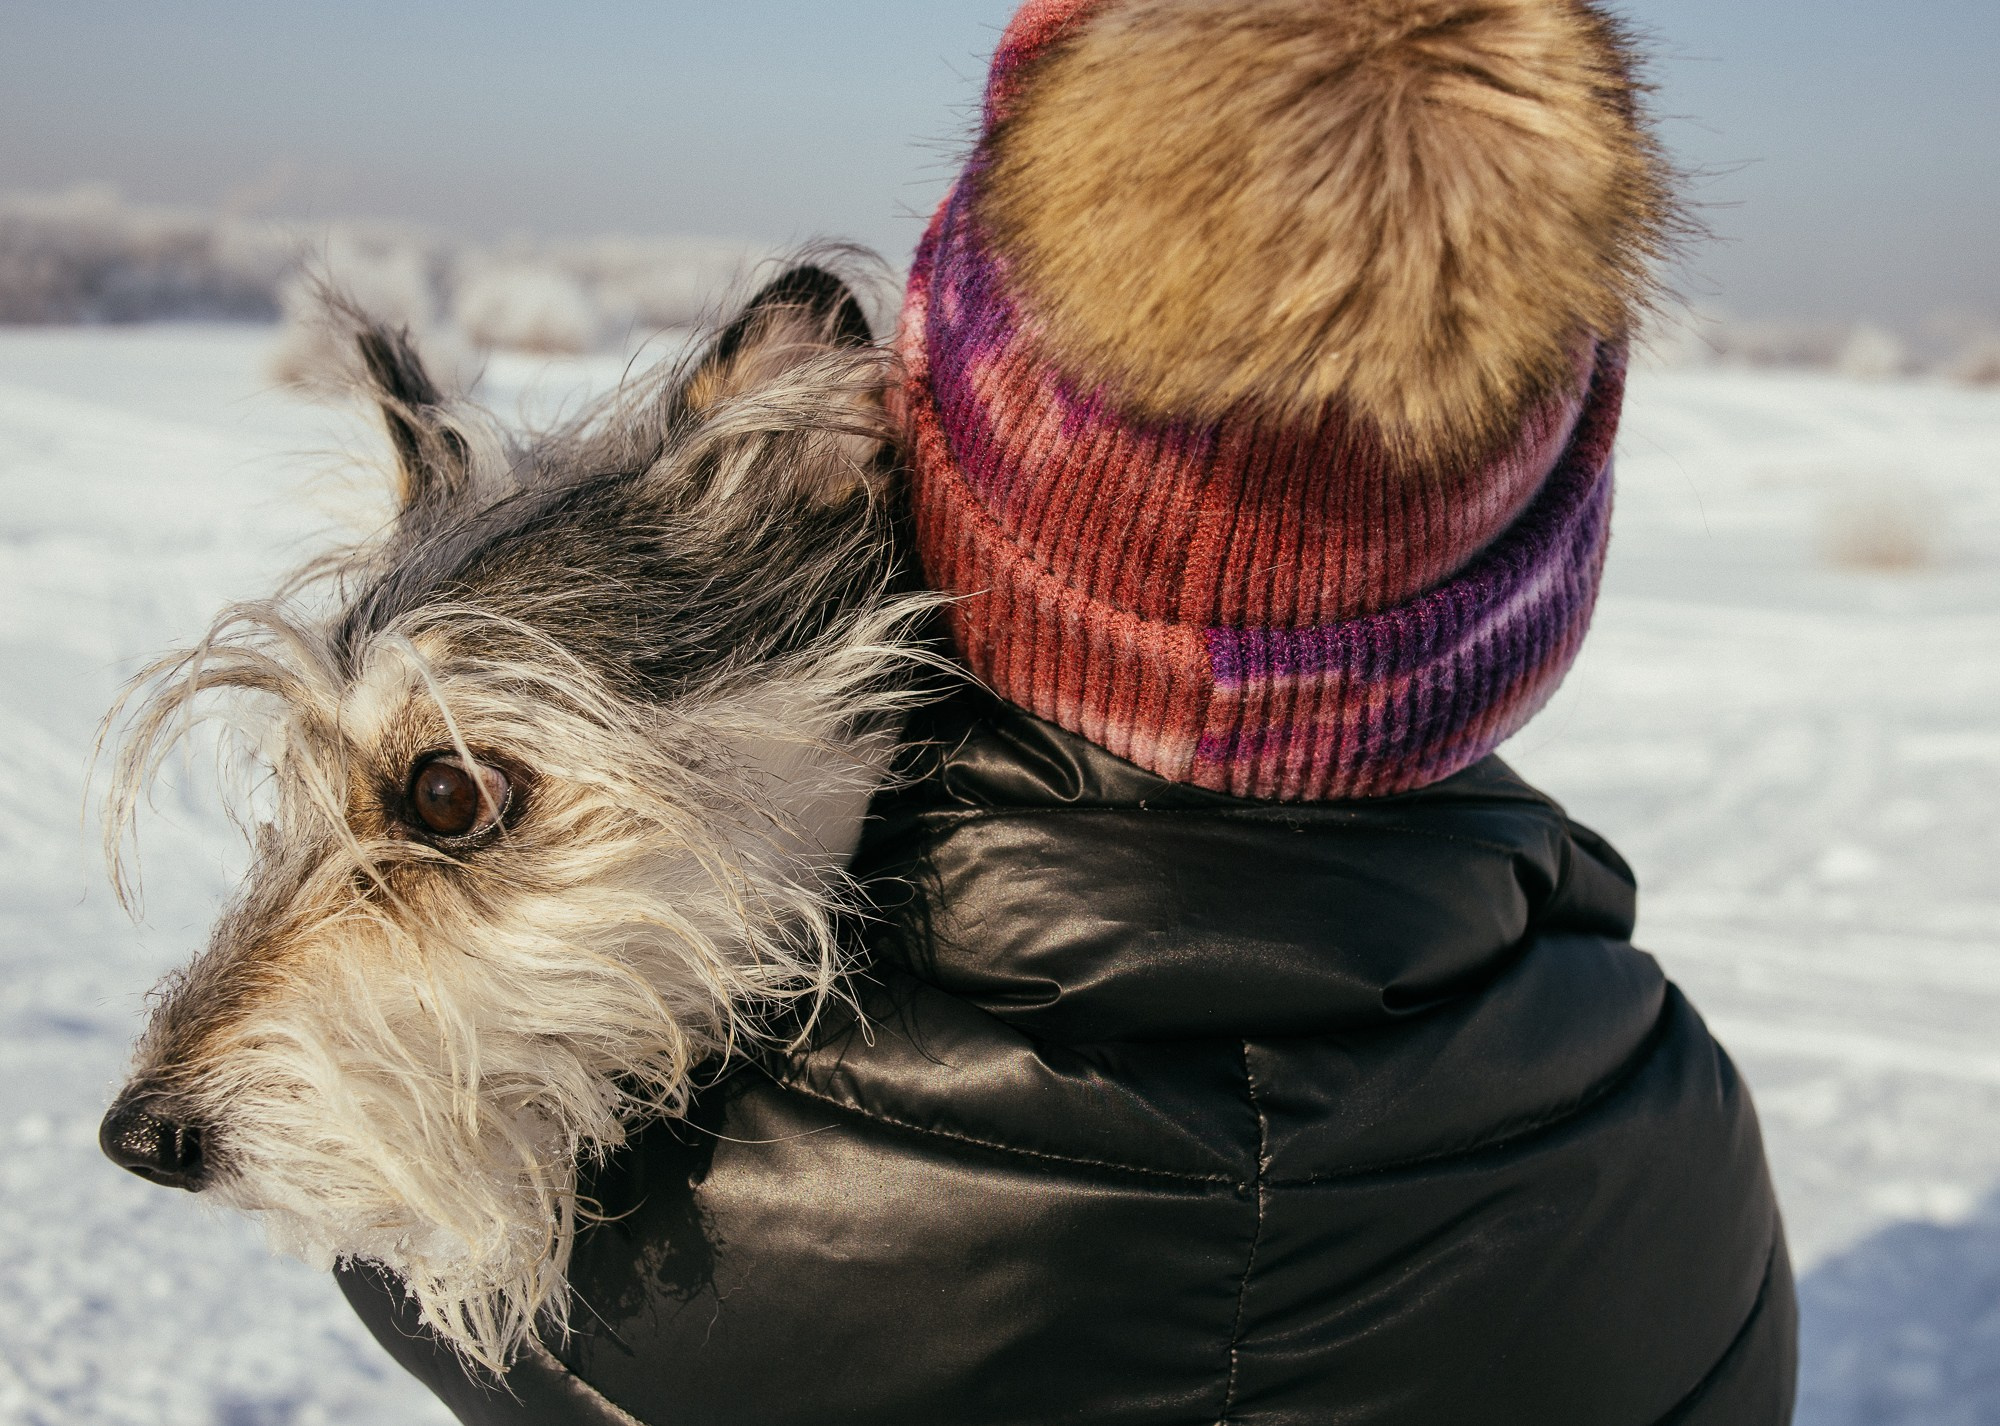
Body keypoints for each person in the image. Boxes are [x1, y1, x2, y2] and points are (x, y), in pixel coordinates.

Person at [344, 1, 1797, 1420]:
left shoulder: (636, 1218)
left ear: (926, 481)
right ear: (1518, 595)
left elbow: (349, 1205)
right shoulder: (1690, 1160)